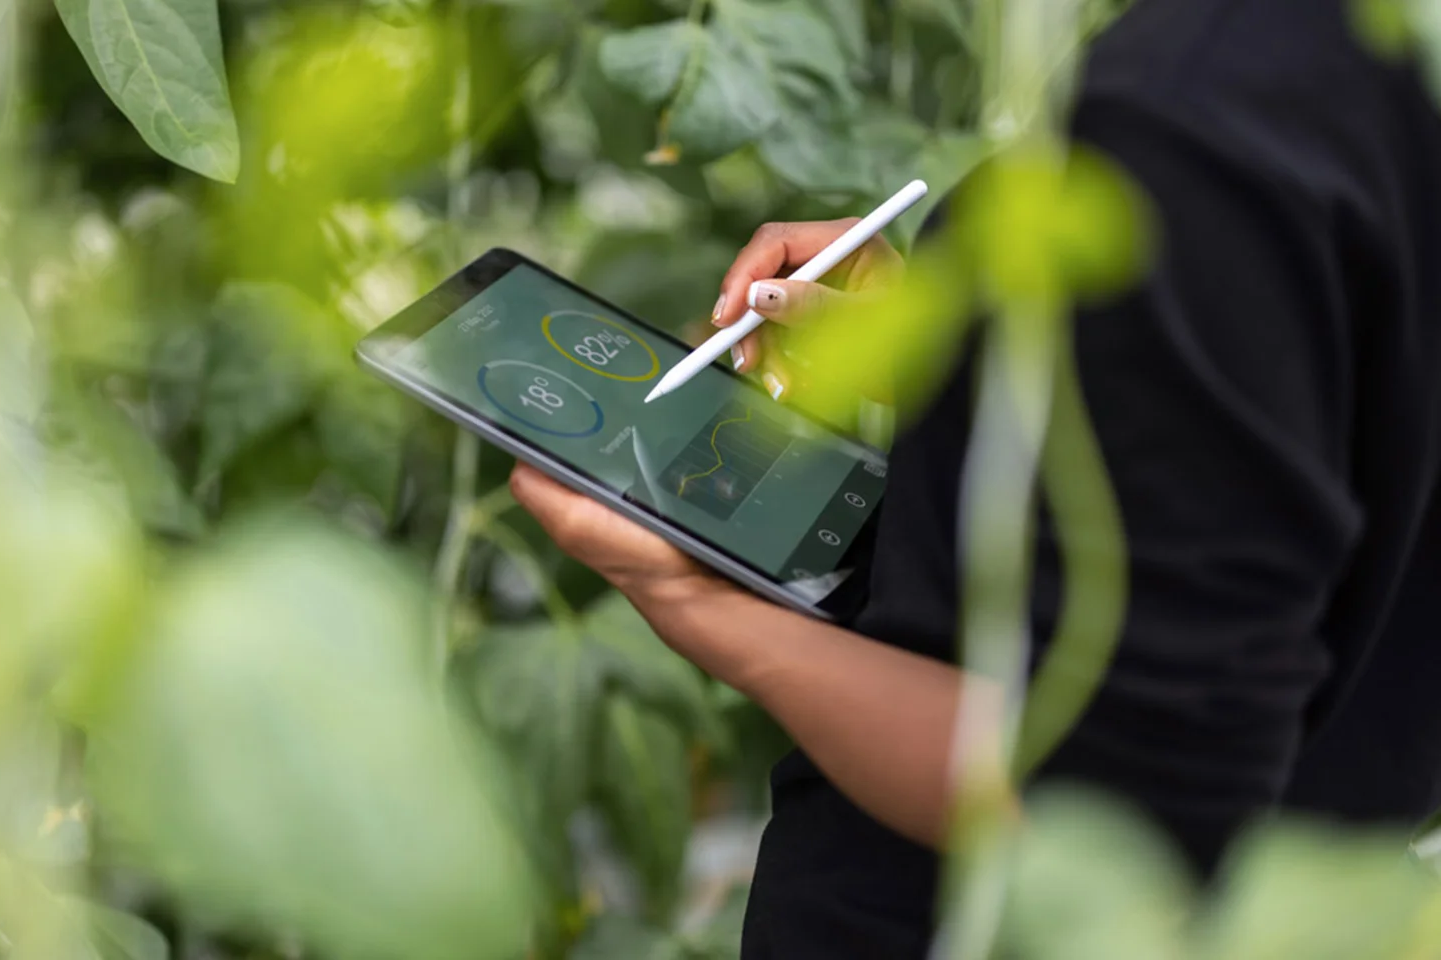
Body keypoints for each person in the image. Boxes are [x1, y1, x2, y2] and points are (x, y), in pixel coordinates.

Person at [510, 0, 1441, 953]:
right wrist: (975, 347)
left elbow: (1119, 808)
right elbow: (1298, 424)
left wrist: (694, 599)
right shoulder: (1385, 57)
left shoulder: (1188, 112)